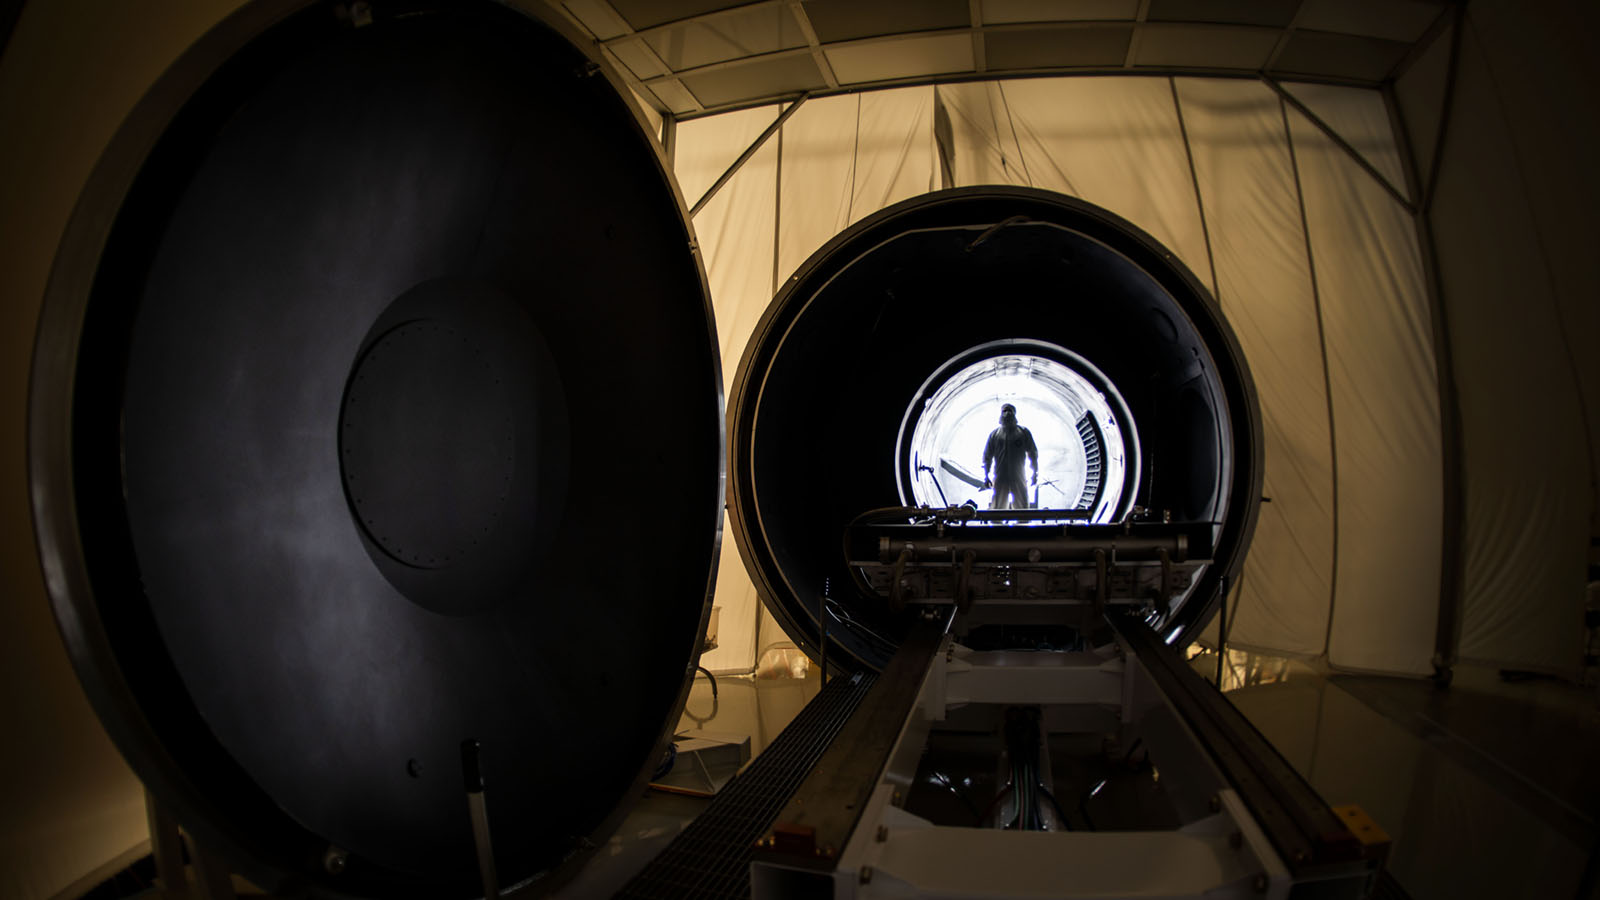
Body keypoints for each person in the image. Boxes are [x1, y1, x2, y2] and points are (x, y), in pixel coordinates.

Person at [982, 403, 1039, 510]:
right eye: (1004, 411)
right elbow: (987, 456)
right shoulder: (995, 435)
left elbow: (1033, 454)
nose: (1007, 413)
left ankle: (1022, 525)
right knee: (998, 505)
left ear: (1014, 414)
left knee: (1021, 505)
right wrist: (986, 475)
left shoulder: (1023, 432)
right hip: (1000, 475)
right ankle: (997, 526)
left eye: (1010, 411)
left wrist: (1035, 473)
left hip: (1018, 475)